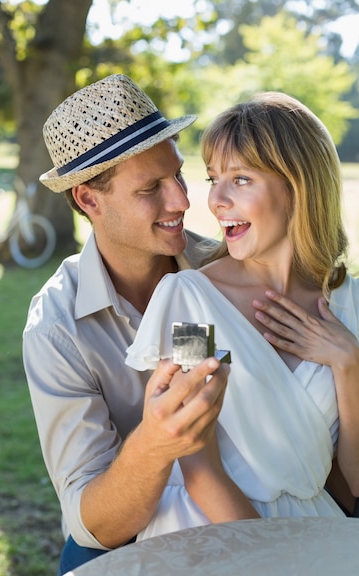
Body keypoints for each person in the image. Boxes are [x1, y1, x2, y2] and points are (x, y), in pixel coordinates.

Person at [22, 74, 258, 576]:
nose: (182, 202)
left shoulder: (221, 270)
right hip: (126, 536)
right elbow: (95, 526)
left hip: (244, 498)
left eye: (178, 175)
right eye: (151, 188)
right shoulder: (55, 328)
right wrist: (156, 443)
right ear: (89, 200)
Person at [126, 91, 359, 540]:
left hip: (317, 533)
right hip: (212, 532)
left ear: (298, 187)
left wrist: (349, 363)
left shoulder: (347, 302)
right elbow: (198, 467)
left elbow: (353, 485)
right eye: (214, 178)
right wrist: (273, 564)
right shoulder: (191, 301)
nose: (216, 200)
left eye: (241, 180)